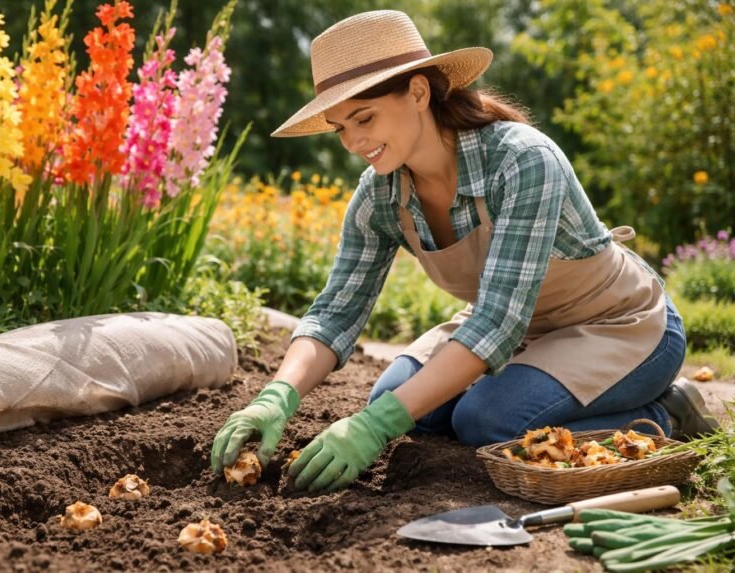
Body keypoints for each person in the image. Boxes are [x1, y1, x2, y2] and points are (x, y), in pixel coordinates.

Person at [210, 10, 720, 493]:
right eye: (341, 127)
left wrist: (375, 427)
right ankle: (557, 398)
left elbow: (498, 321)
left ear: (416, 92)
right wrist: (277, 396)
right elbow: (336, 312)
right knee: (400, 401)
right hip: (516, 332)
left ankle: (663, 414)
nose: (352, 142)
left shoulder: (522, 160)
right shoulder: (380, 194)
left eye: (363, 118)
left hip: (619, 327)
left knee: (487, 421)